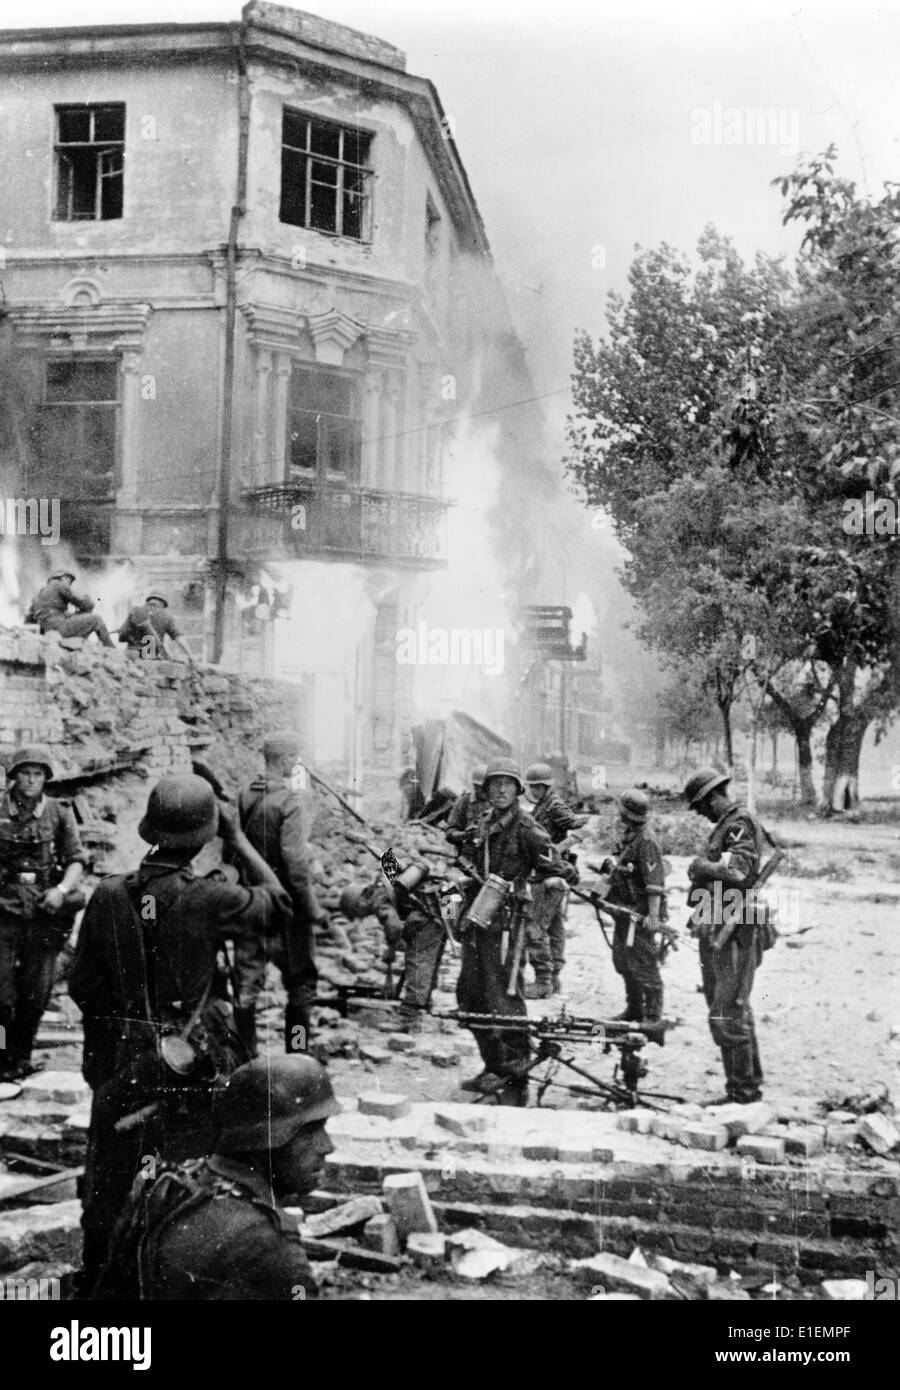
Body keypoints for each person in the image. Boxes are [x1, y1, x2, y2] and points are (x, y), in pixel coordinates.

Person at [69, 773, 291, 1290]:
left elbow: (83, 987)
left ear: (151, 829)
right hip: (189, 1066)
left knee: (110, 1179)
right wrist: (237, 839)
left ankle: (101, 1279)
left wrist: (116, 1046)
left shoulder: (106, 894)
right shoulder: (211, 898)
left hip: (121, 1068)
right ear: (204, 833)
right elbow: (279, 905)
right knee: (185, 1178)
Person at [91, 1055, 339, 1301]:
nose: (327, 1146)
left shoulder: (173, 1183)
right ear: (267, 1138)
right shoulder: (268, 1246)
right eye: (309, 1132)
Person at [455, 757, 579, 1106]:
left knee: (504, 997)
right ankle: (493, 1066)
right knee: (470, 995)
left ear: (518, 790)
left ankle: (515, 1080)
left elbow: (554, 862)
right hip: (478, 918)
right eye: (495, 785)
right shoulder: (483, 821)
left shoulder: (526, 827)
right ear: (487, 790)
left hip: (508, 925)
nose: (501, 790)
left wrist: (561, 874)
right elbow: (467, 854)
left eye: (508, 784)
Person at [234, 731, 330, 1057]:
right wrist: (313, 909)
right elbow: (295, 863)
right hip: (287, 909)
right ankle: (298, 1057)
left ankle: (244, 1062)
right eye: (295, 758)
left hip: (249, 903)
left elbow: (233, 851)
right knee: (301, 984)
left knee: (245, 990)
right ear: (287, 760)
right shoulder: (291, 799)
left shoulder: (245, 794)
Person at [0, 745, 87, 1080]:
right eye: (25, 773)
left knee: (36, 992)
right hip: (4, 910)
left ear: (46, 779)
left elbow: (76, 860)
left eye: (38, 774)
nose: (32, 780)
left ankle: (20, 1056)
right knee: (1, 995)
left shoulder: (59, 812)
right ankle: (2, 1054)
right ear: (14, 776)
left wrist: (61, 891)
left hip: (44, 911)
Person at [683, 767, 767, 1105]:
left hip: (736, 929)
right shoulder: (727, 824)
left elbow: (739, 870)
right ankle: (744, 1086)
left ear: (713, 798)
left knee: (728, 1011)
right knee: (728, 1008)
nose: (701, 814)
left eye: (702, 806)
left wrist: (700, 866)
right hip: (719, 923)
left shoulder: (738, 824)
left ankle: (743, 1094)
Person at [339, 860, 447, 1031]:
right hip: (443, 906)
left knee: (418, 960)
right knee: (429, 959)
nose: (362, 915)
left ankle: (408, 1017)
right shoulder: (383, 884)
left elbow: (394, 926)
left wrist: (391, 948)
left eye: (357, 912)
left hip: (429, 913)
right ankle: (424, 1005)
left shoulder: (375, 898)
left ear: (359, 901)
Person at [600, 788, 668, 1026]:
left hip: (639, 914)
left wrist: (653, 915)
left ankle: (653, 1015)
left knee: (643, 963)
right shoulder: (631, 837)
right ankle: (635, 1008)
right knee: (623, 961)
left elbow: (654, 884)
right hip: (624, 910)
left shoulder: (647, 842)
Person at [522, 762, 587, 998]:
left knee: (536, 926)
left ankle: (544, 981)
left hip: (549, 875)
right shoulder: (544, 805)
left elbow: (576, 824)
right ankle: (554, 977)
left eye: (536, 787)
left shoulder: (553, 805)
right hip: (551, 873)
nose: (533, 791)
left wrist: (563, 845)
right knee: (555, 926)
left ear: (543, 786)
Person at [25, 571, 114, 646]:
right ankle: (109, 646)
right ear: (62, 578)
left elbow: (30, 618)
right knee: (96, 620)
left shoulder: (39, 593)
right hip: (59, 628)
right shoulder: (59, 585)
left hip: (49, 629)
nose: (69, 584)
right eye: (69, 580)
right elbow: (83, 603)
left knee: (76, 616)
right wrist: (88, 600)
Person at [116, 593, 194, 664]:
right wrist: (191, 656)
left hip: (133, 656)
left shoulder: (136, 610)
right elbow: (178, 636)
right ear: (164, 604)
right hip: (153, 657)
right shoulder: (167, 617)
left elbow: (122, 636)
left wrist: (125, 631)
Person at [444, 765, 488, 852]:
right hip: (467, 854)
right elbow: (450, 833)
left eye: (484, 787)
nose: (480, 791)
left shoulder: (499, 803)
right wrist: (466, 835)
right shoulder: (464, 801)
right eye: (477, 787)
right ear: (474, 785)